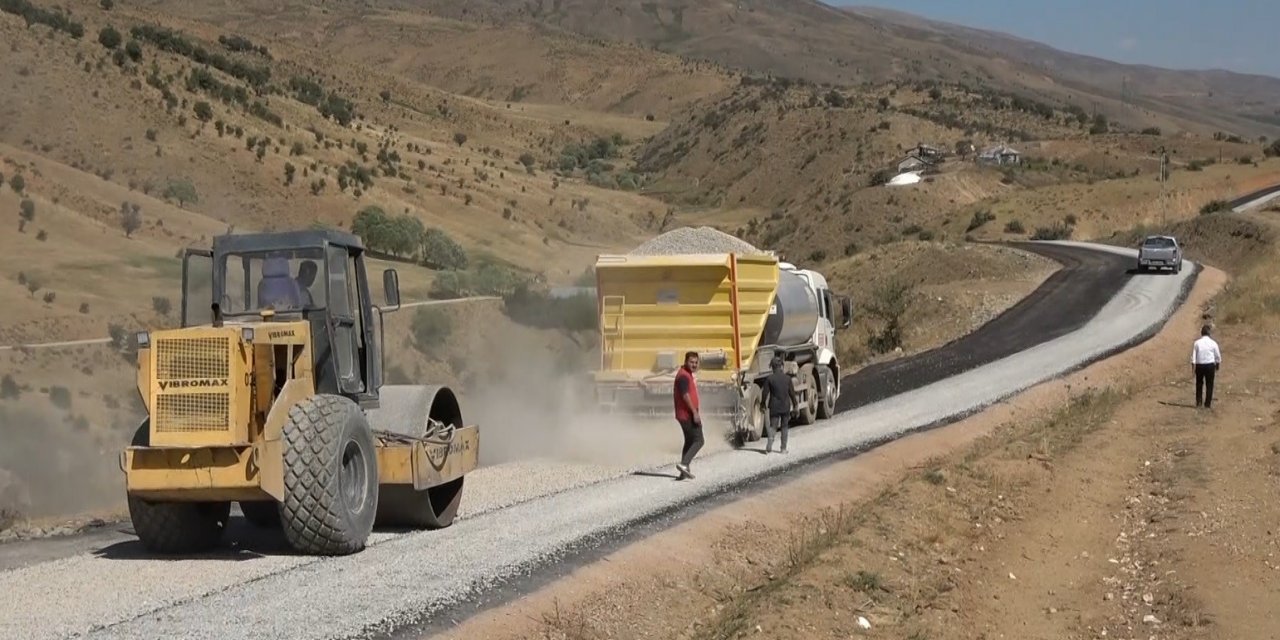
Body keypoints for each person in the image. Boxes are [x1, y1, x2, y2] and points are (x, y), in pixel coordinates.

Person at [673, 351, 703, 480]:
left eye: (696, 362)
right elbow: (685, 395)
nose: (694, 365)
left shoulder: (686, 374)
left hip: (684, 414)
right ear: (686, 362)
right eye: (691, 362)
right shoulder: (683, 376)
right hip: (687, 414)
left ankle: (684, 470)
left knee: (689, 441)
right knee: (699, 440)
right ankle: (684, 464)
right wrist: (694, 412)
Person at [761, 356, 799, 454]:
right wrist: (795, 405)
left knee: (773, 426)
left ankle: (770, 440)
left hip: (774, 406)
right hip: (785, 406)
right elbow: (792, 393)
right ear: (781, 366)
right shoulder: (787, 378)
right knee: (784, 427)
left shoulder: (769, 379)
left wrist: (762, 404)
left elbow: (765, 393)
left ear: (772, 367)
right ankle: (783, 449)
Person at [1191, 324, 1222, 408]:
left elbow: (1193, 357)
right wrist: (1217, 365)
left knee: (1199, 384)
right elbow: (1218, 356)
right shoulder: (1213, 343)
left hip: (1199, 365)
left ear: (1201, 333)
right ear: (1209, 333)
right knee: (1209, 384)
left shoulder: (1196, 343)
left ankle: (1199, 402)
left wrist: (1193, 369)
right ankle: (1207, 404)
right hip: (1210, 365)